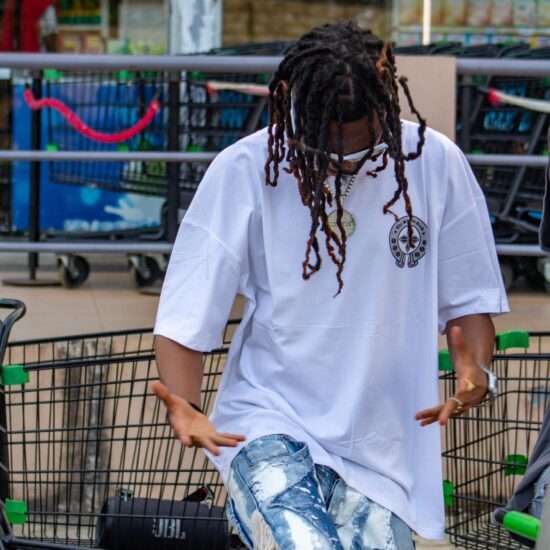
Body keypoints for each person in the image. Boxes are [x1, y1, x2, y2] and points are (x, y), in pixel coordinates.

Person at [153, 21, 509, 549]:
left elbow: (469, 302)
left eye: (360, 138)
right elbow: (188, 307)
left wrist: (474, 371)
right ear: (291, 101)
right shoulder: (245, 168)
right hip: (268, 422)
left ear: (385, 105)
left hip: (381, 449)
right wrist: (185, 403)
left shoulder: (435, 164)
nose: (342, 153)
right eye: (325, 135)